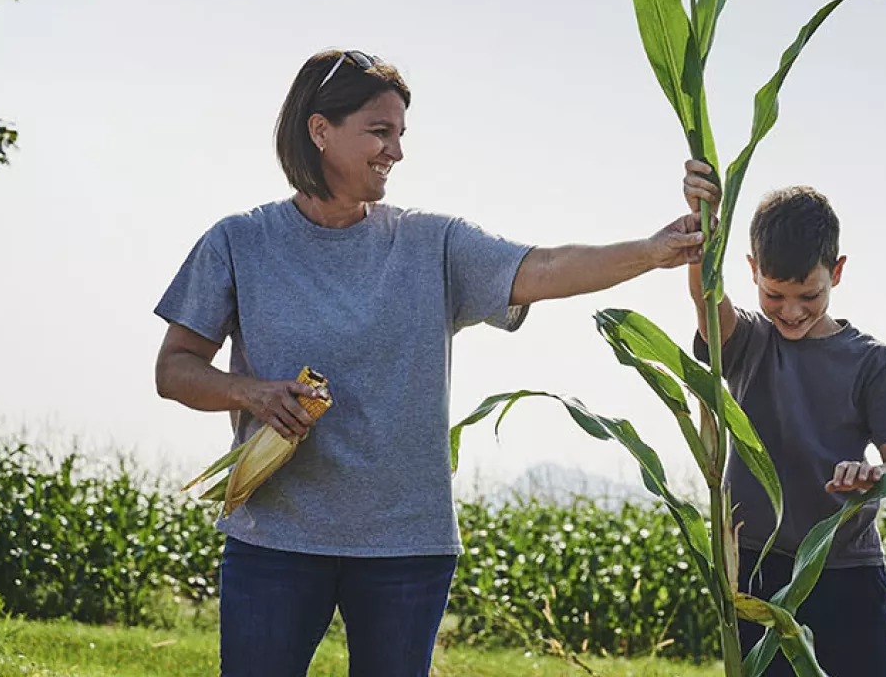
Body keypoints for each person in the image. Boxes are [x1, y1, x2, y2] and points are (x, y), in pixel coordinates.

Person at [153, 49, 704, 677]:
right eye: (379, 131)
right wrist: (251, 394)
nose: (396, 151)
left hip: (405, 547)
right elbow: (175, 369)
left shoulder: (432, 244)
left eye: (400, 134)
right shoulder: (238, 241)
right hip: (276, 539)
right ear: (320, 129)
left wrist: (655, 251)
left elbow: (544, 267)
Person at [682, 160, 886, 677]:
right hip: (756, 569)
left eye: (808, 296)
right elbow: (708, 303)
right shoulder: (746, 343)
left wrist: (874, 478)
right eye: (774, 295)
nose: (791, 311)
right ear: (751, 270)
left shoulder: (872, 362)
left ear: (836, 272)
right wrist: (706, 229)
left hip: (845, 569)